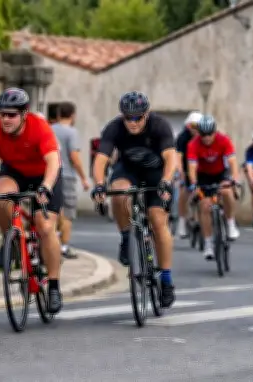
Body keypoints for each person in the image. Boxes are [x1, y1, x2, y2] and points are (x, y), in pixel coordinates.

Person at [0, 87, 65, 314]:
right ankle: (11, 241)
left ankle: (53, 285)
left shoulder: (39, 127)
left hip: (45, 174)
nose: (5, 119)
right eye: (2, 114)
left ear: (24, 114)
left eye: (11, 114)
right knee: (2, 197)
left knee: (44, 227)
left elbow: (53, 161)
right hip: (15, 172)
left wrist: (46, 187)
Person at [90, 91, 177, 308]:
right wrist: (99, 184)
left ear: (146, 114)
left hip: (156, 173)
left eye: (138, 117)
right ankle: (127, 236)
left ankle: (166, 279)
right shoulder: (114, 128)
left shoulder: (159, 125)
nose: (133, 122)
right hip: (127, 170)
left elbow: (170, 157)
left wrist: (166, 180)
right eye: (128, 118)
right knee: (119, 192)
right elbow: (101, 159)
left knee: (158, 221)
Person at [186, 114, 241, 259]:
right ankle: (208, 244)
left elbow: (233, 162)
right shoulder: (193, 144)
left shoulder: (224, 140)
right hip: (203, 176)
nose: (207, 138)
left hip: (221, 173)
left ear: (214, 132)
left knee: (227, 192)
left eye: (210, 134)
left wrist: (234, 179)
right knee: (204, 206)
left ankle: (230, 224)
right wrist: (194, 185)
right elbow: (192, 168)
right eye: (203, 135)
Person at [51, 102, 90, 259]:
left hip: (50, 175)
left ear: (59, 115)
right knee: (67, 213)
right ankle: (64, 247)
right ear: (72, 115)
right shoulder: (71, 132)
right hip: (67, 176)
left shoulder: (50, 129)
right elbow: (74, 157)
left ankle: (51, 243)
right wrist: (83, 178)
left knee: (53, 211)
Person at [174, 111, 202, 238]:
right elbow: (178, 157)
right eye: (192, 127)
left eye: (197, 127)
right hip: (186, 166)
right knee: (184, 192)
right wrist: (180, 172)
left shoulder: (204, 137)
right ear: (188, 126)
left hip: (200, 167)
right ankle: (182, 222)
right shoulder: (182, 138)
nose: (194, 130)